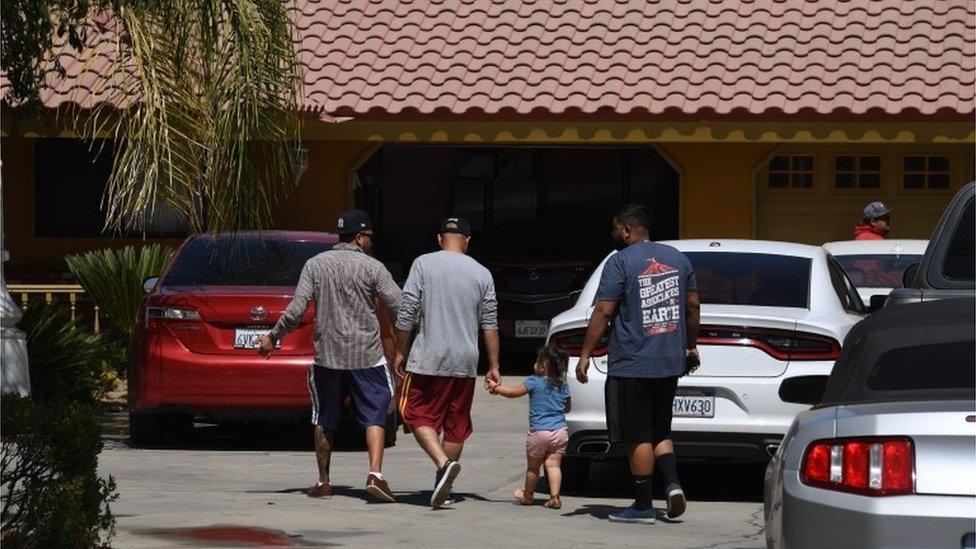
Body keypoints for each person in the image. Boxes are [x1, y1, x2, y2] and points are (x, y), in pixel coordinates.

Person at [257, 209, 402, 503]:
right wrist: (409, 341)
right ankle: (375, 474)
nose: (371, 242)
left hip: (328, 357)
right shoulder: (373, 268)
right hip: (367, 356)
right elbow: (399, 305)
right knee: (375, 414)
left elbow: (296, 310)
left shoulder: (314, 265)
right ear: (360, 238)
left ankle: (323, 482)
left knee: (324, 417)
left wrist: (273, 337)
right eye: (369, 237)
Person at [575, 203, 700, 525]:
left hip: (633, 363)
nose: (613, 234)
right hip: (669, 362)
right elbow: (692, 306)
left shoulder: (619, 262)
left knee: (638, 436)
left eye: (615, 228)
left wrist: (586, 353)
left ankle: (643, 505)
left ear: (627, 230)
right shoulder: (679, 258)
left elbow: (603, 311)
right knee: (661, 431)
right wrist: (689, 346)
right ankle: (672, 486)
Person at [392, 217, 500, 509]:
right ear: (467, 241)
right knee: (456, 426)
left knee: (414, 414)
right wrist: (494, 365)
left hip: (429, 357)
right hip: (465, 362)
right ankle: (445, 485)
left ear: (440, 239)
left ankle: (442, 464)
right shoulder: (482, 273)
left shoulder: (423, 264)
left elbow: (407, 312)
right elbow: (490, 323)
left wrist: (400, 350)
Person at [487, 346, 571, 510]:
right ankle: (555, 497)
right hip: (560, 431)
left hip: (539, 432)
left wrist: (495, 388)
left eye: (537, 360)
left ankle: (528, 496)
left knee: (533, 467)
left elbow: (512, 392)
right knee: (553, 465)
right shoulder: (562, 385)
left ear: (543, 366)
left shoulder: (534, 381)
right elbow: (567, 408)